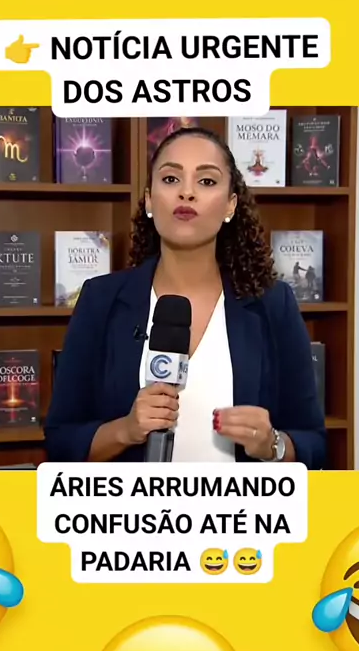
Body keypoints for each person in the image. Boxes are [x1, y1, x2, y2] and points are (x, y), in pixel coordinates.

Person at [45, 127, 327, 468]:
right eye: (170, 179)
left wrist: (273, 445)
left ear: (230, 205)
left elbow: (314, 443)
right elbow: (60, 443)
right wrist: (126, 430)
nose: (187, 192)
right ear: (150, 200)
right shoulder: (100, 300)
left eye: (206, 181)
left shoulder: (272, 304)